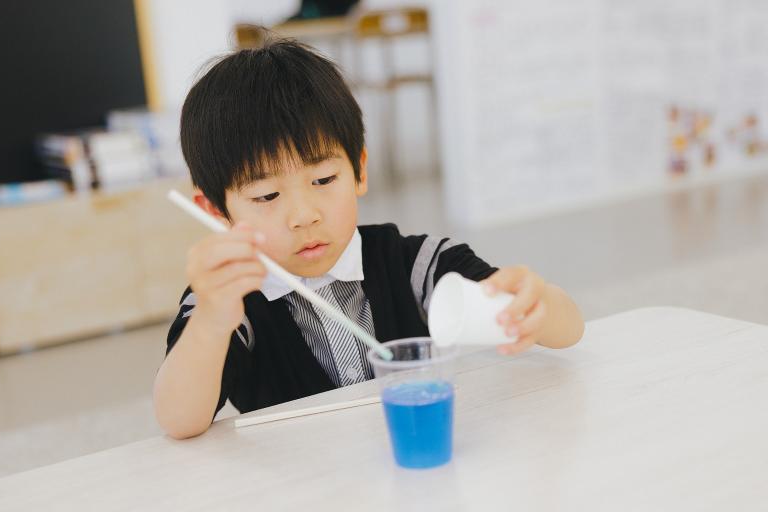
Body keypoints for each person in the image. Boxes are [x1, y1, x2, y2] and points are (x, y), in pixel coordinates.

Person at [153, 39, 584, 439]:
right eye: (267, 196)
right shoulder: (226, 301)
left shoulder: (415, 263)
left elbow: (568, 331)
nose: (304, 216)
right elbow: (178, 420)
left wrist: (534, 305)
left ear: (359, 170)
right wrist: (212, 320)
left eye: (324, 179)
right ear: (215, 211)